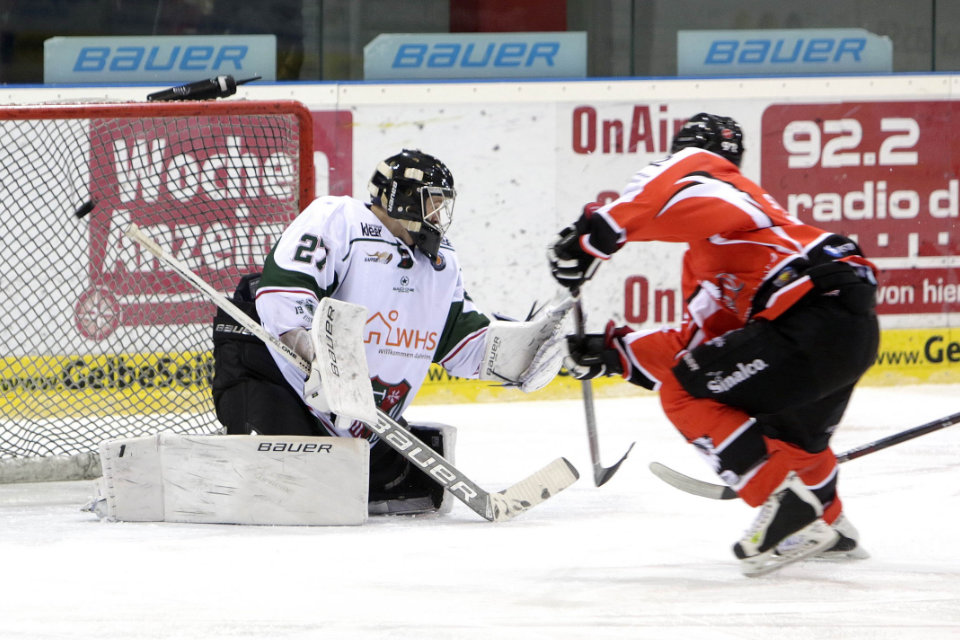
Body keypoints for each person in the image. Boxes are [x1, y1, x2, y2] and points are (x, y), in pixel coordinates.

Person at [547, 113, 879, 576]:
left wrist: (593, 237)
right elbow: (699, 352)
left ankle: (786, 507)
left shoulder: (726, 190)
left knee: (681, 394)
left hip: (809, 315)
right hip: (850, 331)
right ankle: (829, 522)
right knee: (787, 436)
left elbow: (684, 172)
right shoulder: (719, 248)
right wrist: (614, 353)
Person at [213, 148, 566, 515]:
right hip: (275, 373)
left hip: (355, 416)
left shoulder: (441, 263)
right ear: (403, 197)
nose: (438, 216)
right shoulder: (339, 220)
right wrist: (315, 355)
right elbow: (285, 292)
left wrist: (521, 355)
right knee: (285, 488)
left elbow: (461, 340)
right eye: (432, 203)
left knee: (413, 487)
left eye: (443, 205)